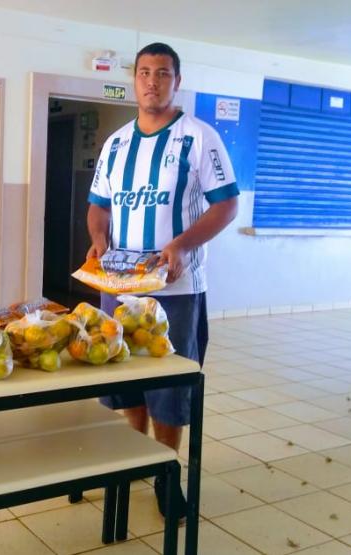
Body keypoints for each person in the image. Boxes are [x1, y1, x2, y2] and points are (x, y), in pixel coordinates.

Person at [86, 42, 239, 516]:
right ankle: (135, 458)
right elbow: (98, 205)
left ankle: (165, 474)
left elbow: (226, 205)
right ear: (134, 79)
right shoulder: (115, 144)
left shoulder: (199, 137)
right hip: (119, 289)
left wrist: (181, 245)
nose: (152, 81)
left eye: (163, 73)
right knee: (124, 380)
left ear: (177, 80)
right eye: (145, 72)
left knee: (169, 391)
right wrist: (97, 241)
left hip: (175, 291)